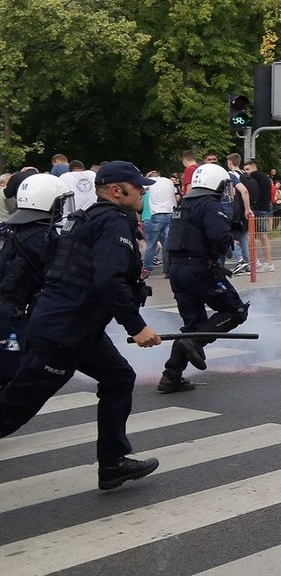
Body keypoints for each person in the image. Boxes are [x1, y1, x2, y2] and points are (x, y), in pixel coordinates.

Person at [0, 161, 162, 490]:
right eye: (138, 187)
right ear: (118, 191)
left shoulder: (88, 218)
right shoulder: (115, 221)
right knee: (11, 411)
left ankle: (113, 462)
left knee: (119, 377)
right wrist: (136, 326)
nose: (143, 192)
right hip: (63, 333)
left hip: (78, 327)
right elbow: (108, 280)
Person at [158, 163, 249, 393]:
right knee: (235, 311)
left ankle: (171, 375)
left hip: (177, 271)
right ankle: (195, 343)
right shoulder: (210, 205)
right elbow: (218, 237)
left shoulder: (183, 204)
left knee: (194, 324)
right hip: (198, 269)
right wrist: (229, 235)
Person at [0, 173, 70, 386]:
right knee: (10, 376)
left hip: (8, 308)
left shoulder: (12, 229)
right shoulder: (42, 238)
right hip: (11, 313)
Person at [141, 173, 177, 279]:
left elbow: (141, 191)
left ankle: (146, 269)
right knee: (167, 244)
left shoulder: (149, 182)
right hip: (170, 212)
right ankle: (168, 270)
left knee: (151, 244)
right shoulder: (169, 181)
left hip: (156, 214)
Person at [243, 159, 274, 272]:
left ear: (253, 167)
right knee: (261, 235)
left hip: (257, 208)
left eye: (247, 169)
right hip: (264, 207)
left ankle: (261, 262)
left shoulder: (254, 176)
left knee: (254, 235)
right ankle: (265, 261)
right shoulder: (264, 176)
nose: (246, 172)